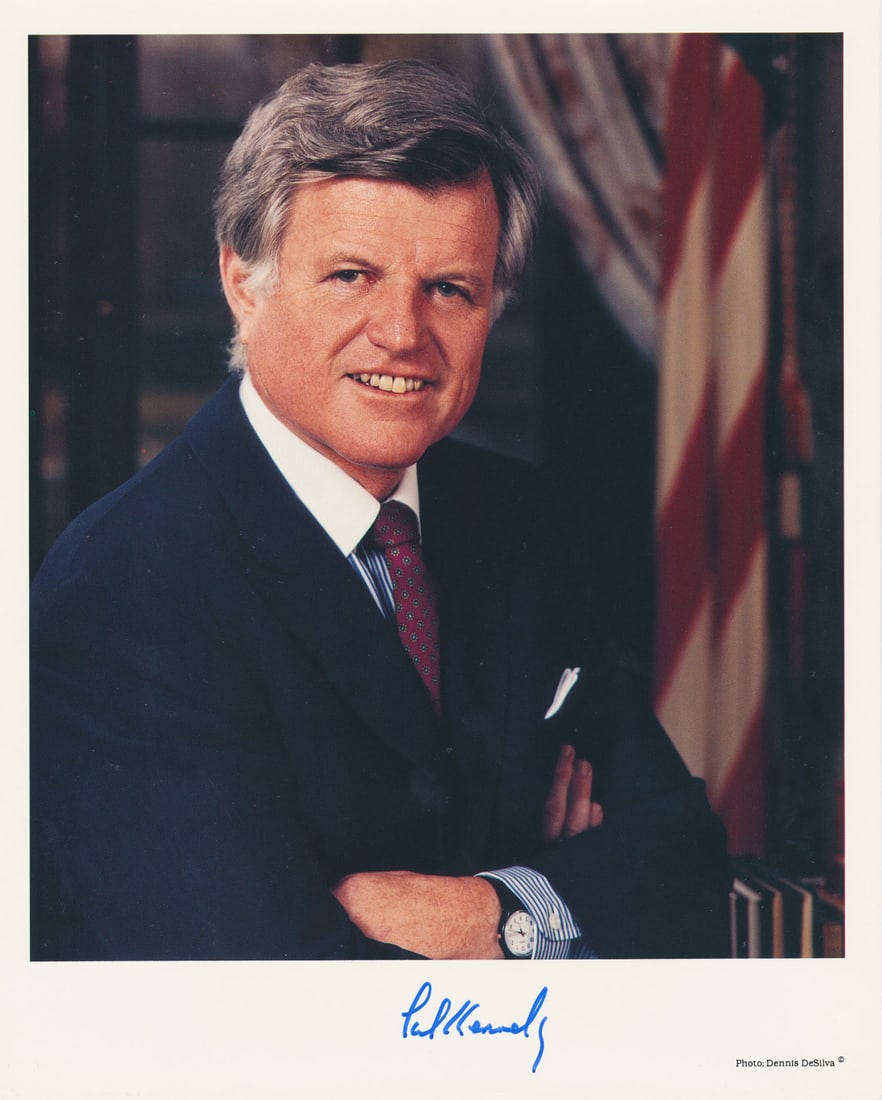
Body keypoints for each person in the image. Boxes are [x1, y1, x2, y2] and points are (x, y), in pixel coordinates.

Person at [30, 58, 732, 961]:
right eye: (353, 276)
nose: (403, 334)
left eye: (450, 287)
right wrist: (564, 897)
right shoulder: (127, 585)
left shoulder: (522, 522)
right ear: (245, 282)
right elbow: (270, 998)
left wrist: (494, 915)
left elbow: (687, 862)